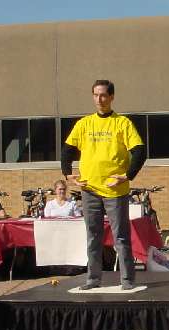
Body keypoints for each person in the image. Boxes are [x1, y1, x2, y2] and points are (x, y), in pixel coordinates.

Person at [61, 79, 147, 290]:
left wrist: (127, 175)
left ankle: (127, 280)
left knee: (121, 237)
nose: (99, 99)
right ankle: (93, 279)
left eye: (103, 95)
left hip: (114, 191)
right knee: (93, 236)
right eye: (95, 95)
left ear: (111, 97)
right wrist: (67, 173)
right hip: (89, 189)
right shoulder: (84, 124)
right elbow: (67, 150)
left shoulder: (122, 123)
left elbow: (139, 151)